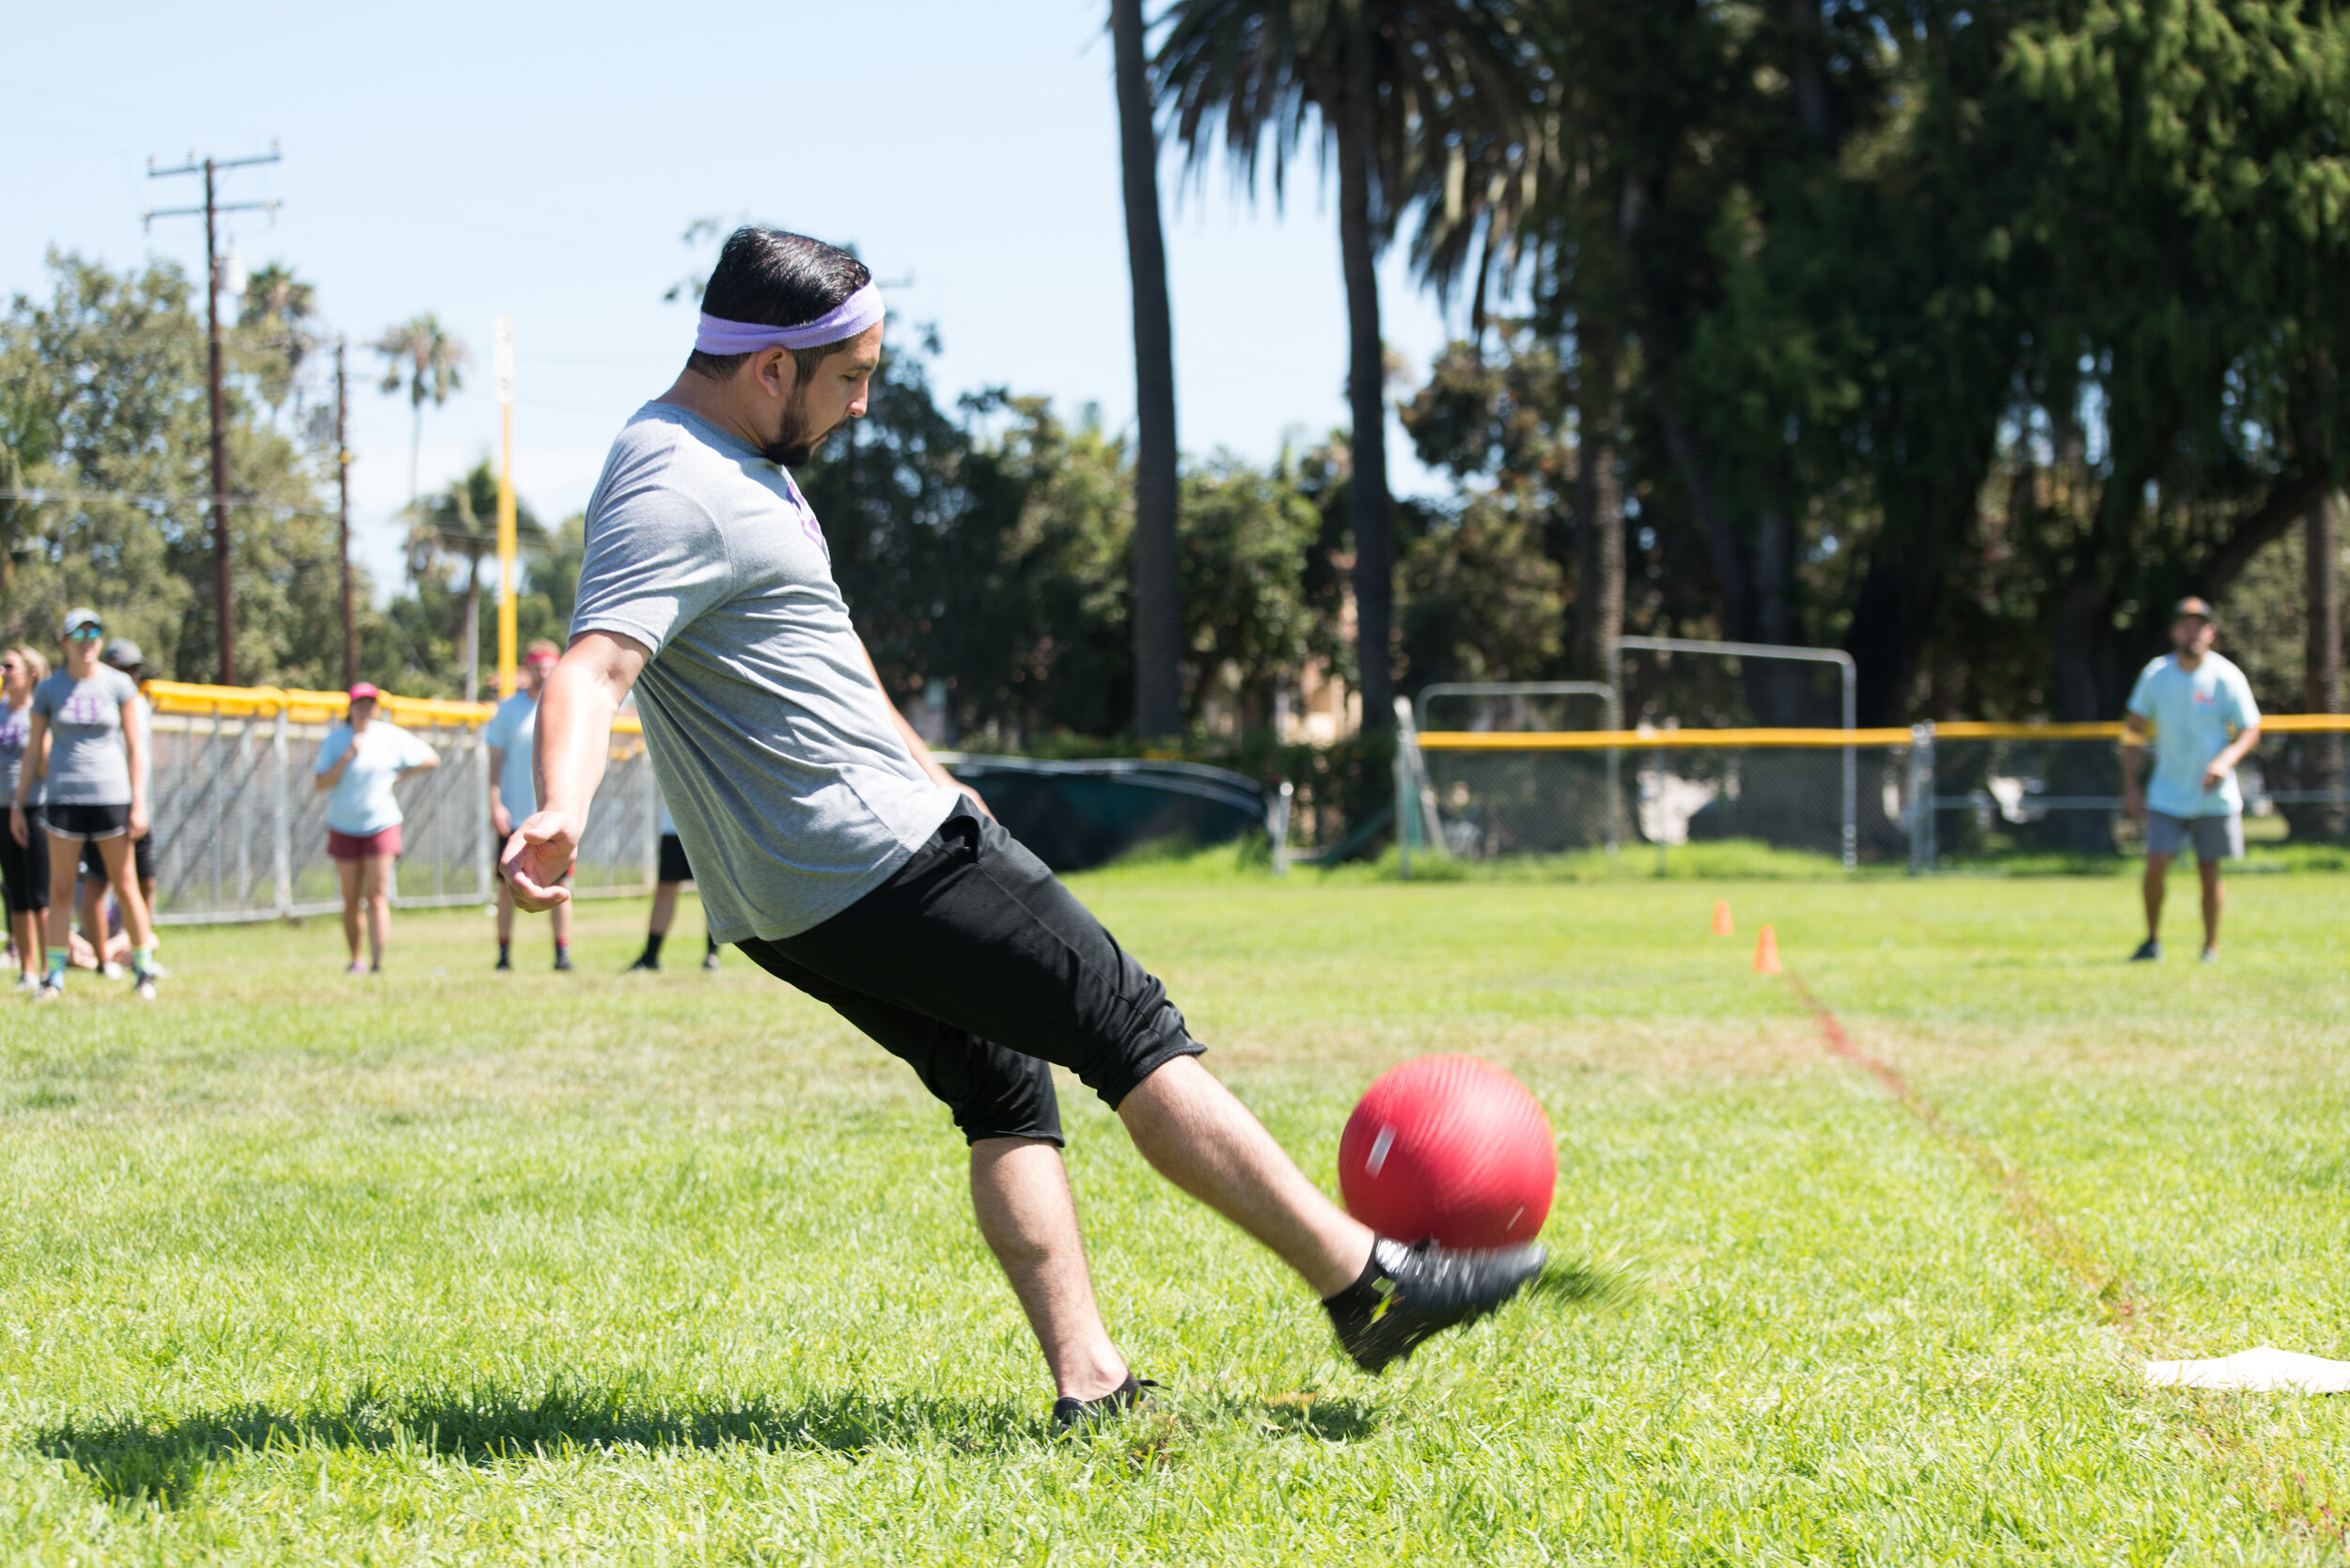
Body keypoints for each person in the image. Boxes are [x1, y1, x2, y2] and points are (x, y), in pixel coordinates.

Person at [503, 228, 1543, 1427]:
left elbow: (820, 656)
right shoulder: (674, 474)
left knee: (1003, 1094)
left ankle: (1090, 1388)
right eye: (849, 378)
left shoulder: (737, 460)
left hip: (797, 895)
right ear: (773, 368)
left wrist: (937, 773)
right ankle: (1365, 1283)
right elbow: (589, 673)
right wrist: (560, 809)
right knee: (1128, 1027)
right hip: (874, 858)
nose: (862, 403)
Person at [10, 608, 160, 1000]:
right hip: (63, 798)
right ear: (64, 642)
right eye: (79, 634)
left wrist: (138, 801)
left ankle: (144, 971)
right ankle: (53, 977)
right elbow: (31, 753)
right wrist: (17, 804)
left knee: (126, 886)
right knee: (61, 890)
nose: (88, 640)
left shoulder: (118, 686)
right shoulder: (49, 690)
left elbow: (135, 748)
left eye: (94, 633)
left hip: (111, 796)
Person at [2123, 596, 2262, 963]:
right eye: (2185, 624)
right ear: (2173, 632)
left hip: (2213, 795)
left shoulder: (2226, 675)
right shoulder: (2156, 675)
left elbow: (2251, 728)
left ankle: (2210, 947)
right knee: (2156, 864)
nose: (2193, 631)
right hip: (2167, 791)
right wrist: (2131, 785)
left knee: (2209, 868)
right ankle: (2152, 940)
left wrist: (2225, 760)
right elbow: (2134, 732)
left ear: (2211, 632)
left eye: (2200, 625)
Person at [314, 682, 440, 973]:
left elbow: (431, 759)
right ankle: (356, 959)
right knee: (350, 899)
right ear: (350, 708)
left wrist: (399, 777)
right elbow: (320, 783)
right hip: (344, 824)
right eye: (360, 705)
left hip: (381, 824)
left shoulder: (389, 736)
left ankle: (378, 962)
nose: (365, 710)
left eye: (370, 704)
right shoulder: (336, 740)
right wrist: (347, 756)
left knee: (377, 895)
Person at [485, 641, 573, 971]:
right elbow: (495, 760)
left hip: (550, 816)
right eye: (537, 666)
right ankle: (504, 955)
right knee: (506, 886)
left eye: (549, 666)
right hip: (514, 816)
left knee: (561, 886)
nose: (543, 672)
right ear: (528, 668)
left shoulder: (562, 706)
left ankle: (562, 954)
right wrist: (495, 803)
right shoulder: (508, 711)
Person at [77, 637, 161, 969]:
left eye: (135, 669)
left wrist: (139, 803)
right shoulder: (97, 703)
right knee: (99, 883)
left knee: (144, 882)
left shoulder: (138, 703)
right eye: (124, 669)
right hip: (107, 805)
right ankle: (102, 960)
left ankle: (138, 954)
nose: (131, 676)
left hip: (137, 806)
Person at [0, 646, 52, 991]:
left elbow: (46, 767)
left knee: (40, 894)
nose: (3, 671)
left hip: (35, 809)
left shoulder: (38, 712)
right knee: (16, 892)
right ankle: (28, 971)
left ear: (31, 673)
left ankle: (51, 970)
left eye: (9, 665)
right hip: (4, 810)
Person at [626, 798, 720, 972]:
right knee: (666, 887)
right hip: (674, 824)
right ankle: (650, 957)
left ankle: (712, 956)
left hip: (713, 823)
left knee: (713, 889)